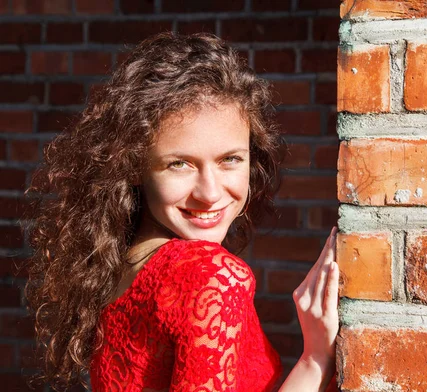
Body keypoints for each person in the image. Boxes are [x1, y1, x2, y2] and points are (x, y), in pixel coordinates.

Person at [25, 32, 339, 391]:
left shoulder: (119, 265)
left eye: (230, 160)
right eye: (179, 164)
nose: (209, 193)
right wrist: (315, 359)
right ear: (133, 167)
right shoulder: (211, 276)